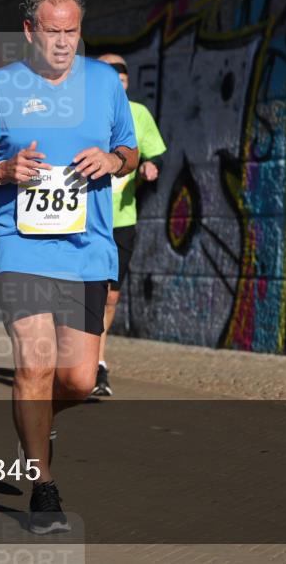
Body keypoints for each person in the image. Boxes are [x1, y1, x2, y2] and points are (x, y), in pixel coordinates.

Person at [0, 0, 138, 534]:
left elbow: (131, 151)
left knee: (78, 380)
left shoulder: (104, 83)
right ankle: (43, 486)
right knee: (33, 366)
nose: (63, 42)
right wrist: (0, 172)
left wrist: (112, 158)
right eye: (53, 31)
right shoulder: (1, 86)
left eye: (72, 31)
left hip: (87, 248)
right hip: (21, 243)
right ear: (30, 31)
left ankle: (34, 421)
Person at [92, 53, 167, 396]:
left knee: (109, 297)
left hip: (121, 218)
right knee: (81, 292)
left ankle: (97, 363)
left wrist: (151, 167)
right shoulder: (79, 111)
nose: (116, 86)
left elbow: (151, 154)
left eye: (122, 80)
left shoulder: (138, 114)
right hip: (82, 218)